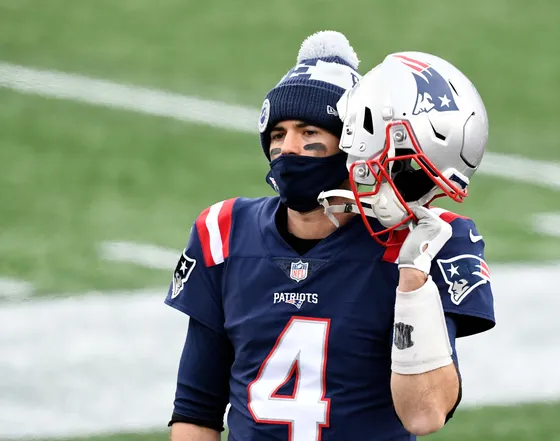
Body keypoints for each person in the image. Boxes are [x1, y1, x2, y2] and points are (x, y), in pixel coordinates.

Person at [164, 30, 495, 441]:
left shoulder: (425, 240)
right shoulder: (224, 231)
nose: (288, 148)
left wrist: (412, 284)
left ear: (355, 141)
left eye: (309, 133)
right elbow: (196, 408)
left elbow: (425, 415)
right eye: (278, 134)